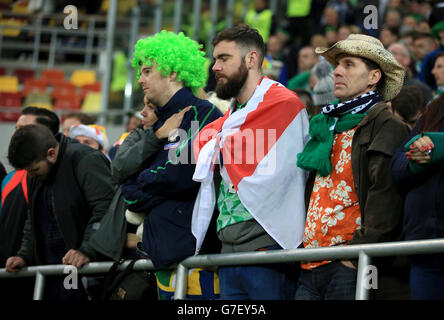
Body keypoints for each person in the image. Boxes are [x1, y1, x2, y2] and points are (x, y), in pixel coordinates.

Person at [192, 25, 309, 300]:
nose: (215, 67)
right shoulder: (232, 116)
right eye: (215, 59)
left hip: (267, 246)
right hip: (228, 247)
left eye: (224, 58)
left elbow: (222, 147)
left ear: (251, 59)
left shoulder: (283, 104)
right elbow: (196, 148)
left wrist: (215, 142)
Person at [295, 33, 410, 300]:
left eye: (348, 64)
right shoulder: (327, 125)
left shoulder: (386, 126)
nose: (336, 71)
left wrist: (358, 254)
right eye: (337, 65)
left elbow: (385, 197)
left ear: (373, 77)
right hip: (309, 261)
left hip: (348, 262)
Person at [120, 30, 223, 300]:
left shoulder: (203, 113)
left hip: (194, 257)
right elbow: (124, 185)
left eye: (147, 71)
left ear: (174, 72)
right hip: (162, 254)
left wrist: (141, 181)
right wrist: (144, 182)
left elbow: (180, 176)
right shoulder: (155, 123)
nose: (140, 79)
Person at [5, 124, 116, 300]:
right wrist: (24, 255)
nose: (31, 175)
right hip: (52, 274)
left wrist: (87, 250)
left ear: (51, 153)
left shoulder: (84, 159)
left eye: (34, 170)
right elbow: (33, 219)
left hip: (83, 272)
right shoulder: (37, 173)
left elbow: (107, 210)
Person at [0, 106, 60, 300]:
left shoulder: (54, 178)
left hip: (38, 279)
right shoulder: (8, 179)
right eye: (16, 128)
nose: (17, 134)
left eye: (24, 129)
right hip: (8, 274)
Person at [391, 93, 444, 300]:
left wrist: (439, 144)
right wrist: (415, 159)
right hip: (424, 246)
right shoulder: (434, 111)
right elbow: (397, 167)